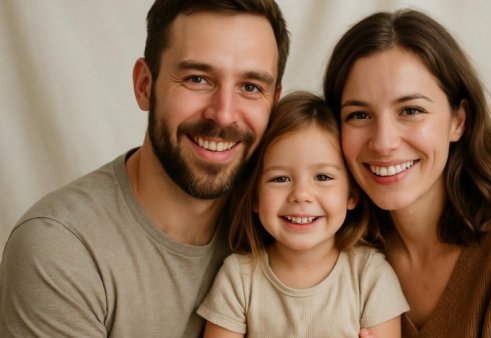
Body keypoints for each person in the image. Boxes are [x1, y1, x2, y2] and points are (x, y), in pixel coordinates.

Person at [0, 0, 289, 336]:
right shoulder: (62, 248)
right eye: (197, 79)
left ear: (274, 103)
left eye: (251, 87)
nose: (223, 114)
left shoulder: (288, 221)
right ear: (144, 85)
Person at [323, 9, 491, 337]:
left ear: (458, 121)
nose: (383, 142)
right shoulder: (334, 252)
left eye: (411, 110)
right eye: (358, 115)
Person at [197, 91, 408, 337]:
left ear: (351, 194)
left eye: (323, 177)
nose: (301, 194)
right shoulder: (238, 279)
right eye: (280, 178)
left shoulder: (370, 276)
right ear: (254, 196)